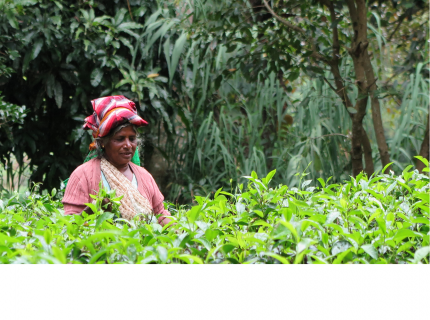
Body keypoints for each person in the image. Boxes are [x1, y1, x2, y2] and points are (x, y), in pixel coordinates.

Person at [62, 95, 171, 226]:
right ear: (103, 142)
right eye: (120, 139)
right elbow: (68, 226)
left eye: (132, 138)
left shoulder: (144, 177)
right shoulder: (83, 175)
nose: (128, 145)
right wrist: (93, 211)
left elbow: (161, 215)